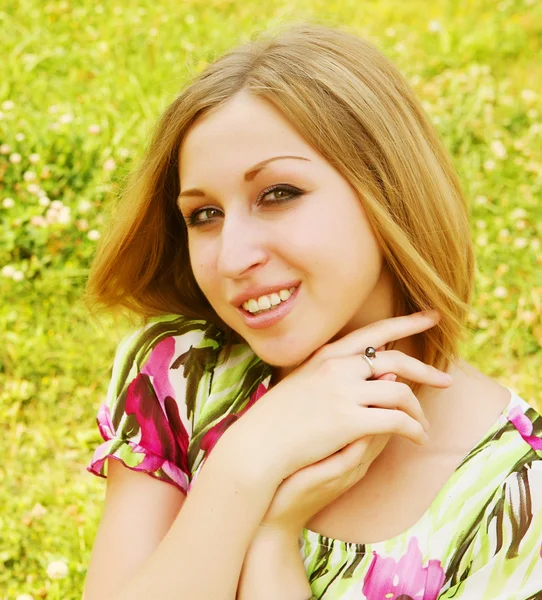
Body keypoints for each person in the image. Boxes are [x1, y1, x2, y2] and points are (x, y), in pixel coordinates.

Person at [82, 22, 542, 600]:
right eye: (204, 215)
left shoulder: (517, 502)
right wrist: (246, 462)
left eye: (278, 194)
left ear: (387, 191)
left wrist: (274, 537)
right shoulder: (180, 375)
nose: (232, 257)